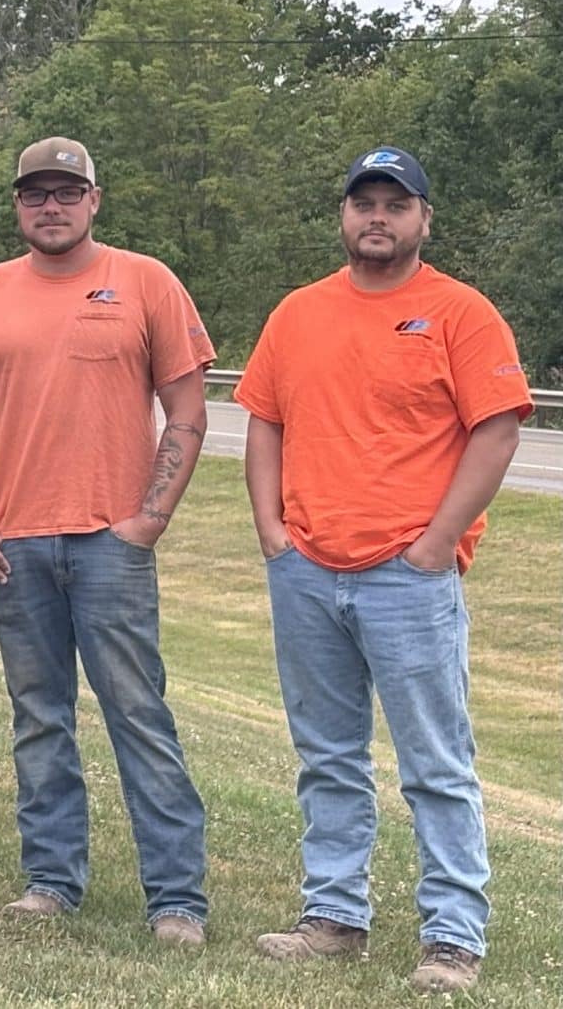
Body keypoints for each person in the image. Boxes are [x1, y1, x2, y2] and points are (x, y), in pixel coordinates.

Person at [237, 147, 529, 994]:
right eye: (363, 203)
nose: (377, 217)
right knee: (327, 754)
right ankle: (333, 917)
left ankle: (452, 937)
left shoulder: (460, 313)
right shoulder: (298, 313)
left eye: (395, 205)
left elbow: (499, 429)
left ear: (423, 220)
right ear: (344, 216)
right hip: (306, 570)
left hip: (408, 576)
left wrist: (438, 543)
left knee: (435, 762)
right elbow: (263, 419)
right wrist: (271, 532)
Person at [0, 137, 214, 945]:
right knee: (39, 718)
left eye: (66, 192)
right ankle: (52, 881)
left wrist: (146, 521)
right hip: (12, 547)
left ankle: (177, 900)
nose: (49, 207)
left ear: (95, 198)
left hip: (108, 546)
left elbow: (188, 413)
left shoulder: (146, 281)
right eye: (34, 194)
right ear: (18, 205)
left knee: (138, 715)